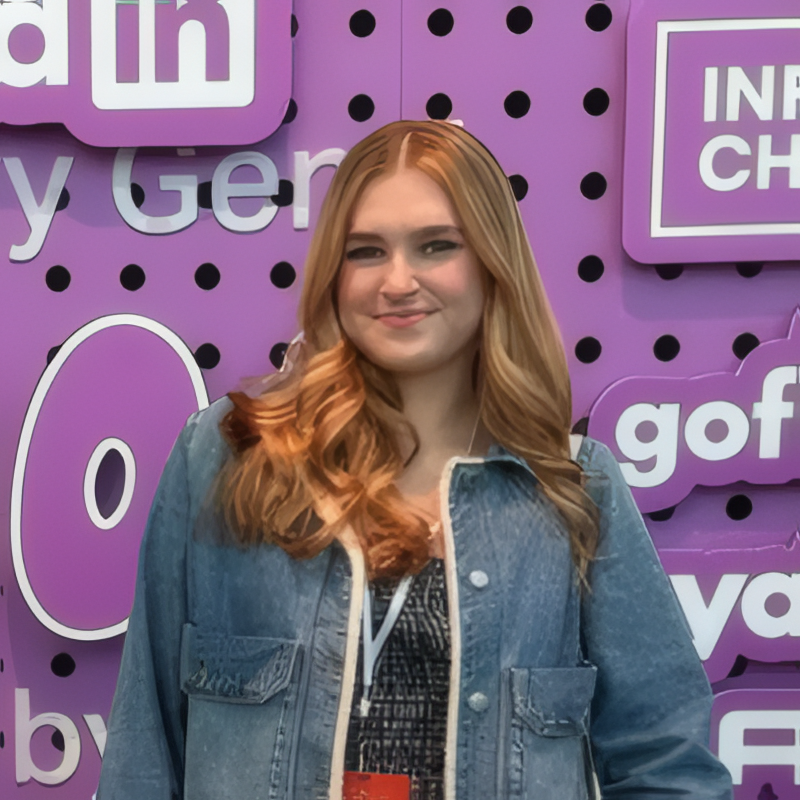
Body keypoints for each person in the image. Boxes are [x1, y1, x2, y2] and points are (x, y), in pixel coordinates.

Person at [97, 120, 733, 800]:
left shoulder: (575, 490)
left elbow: (668, 766)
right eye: (366, 251)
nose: (397, 281)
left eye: (436, 246)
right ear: (333, 275)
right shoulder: (228, 455)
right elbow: (146, 746)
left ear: (492, 265)